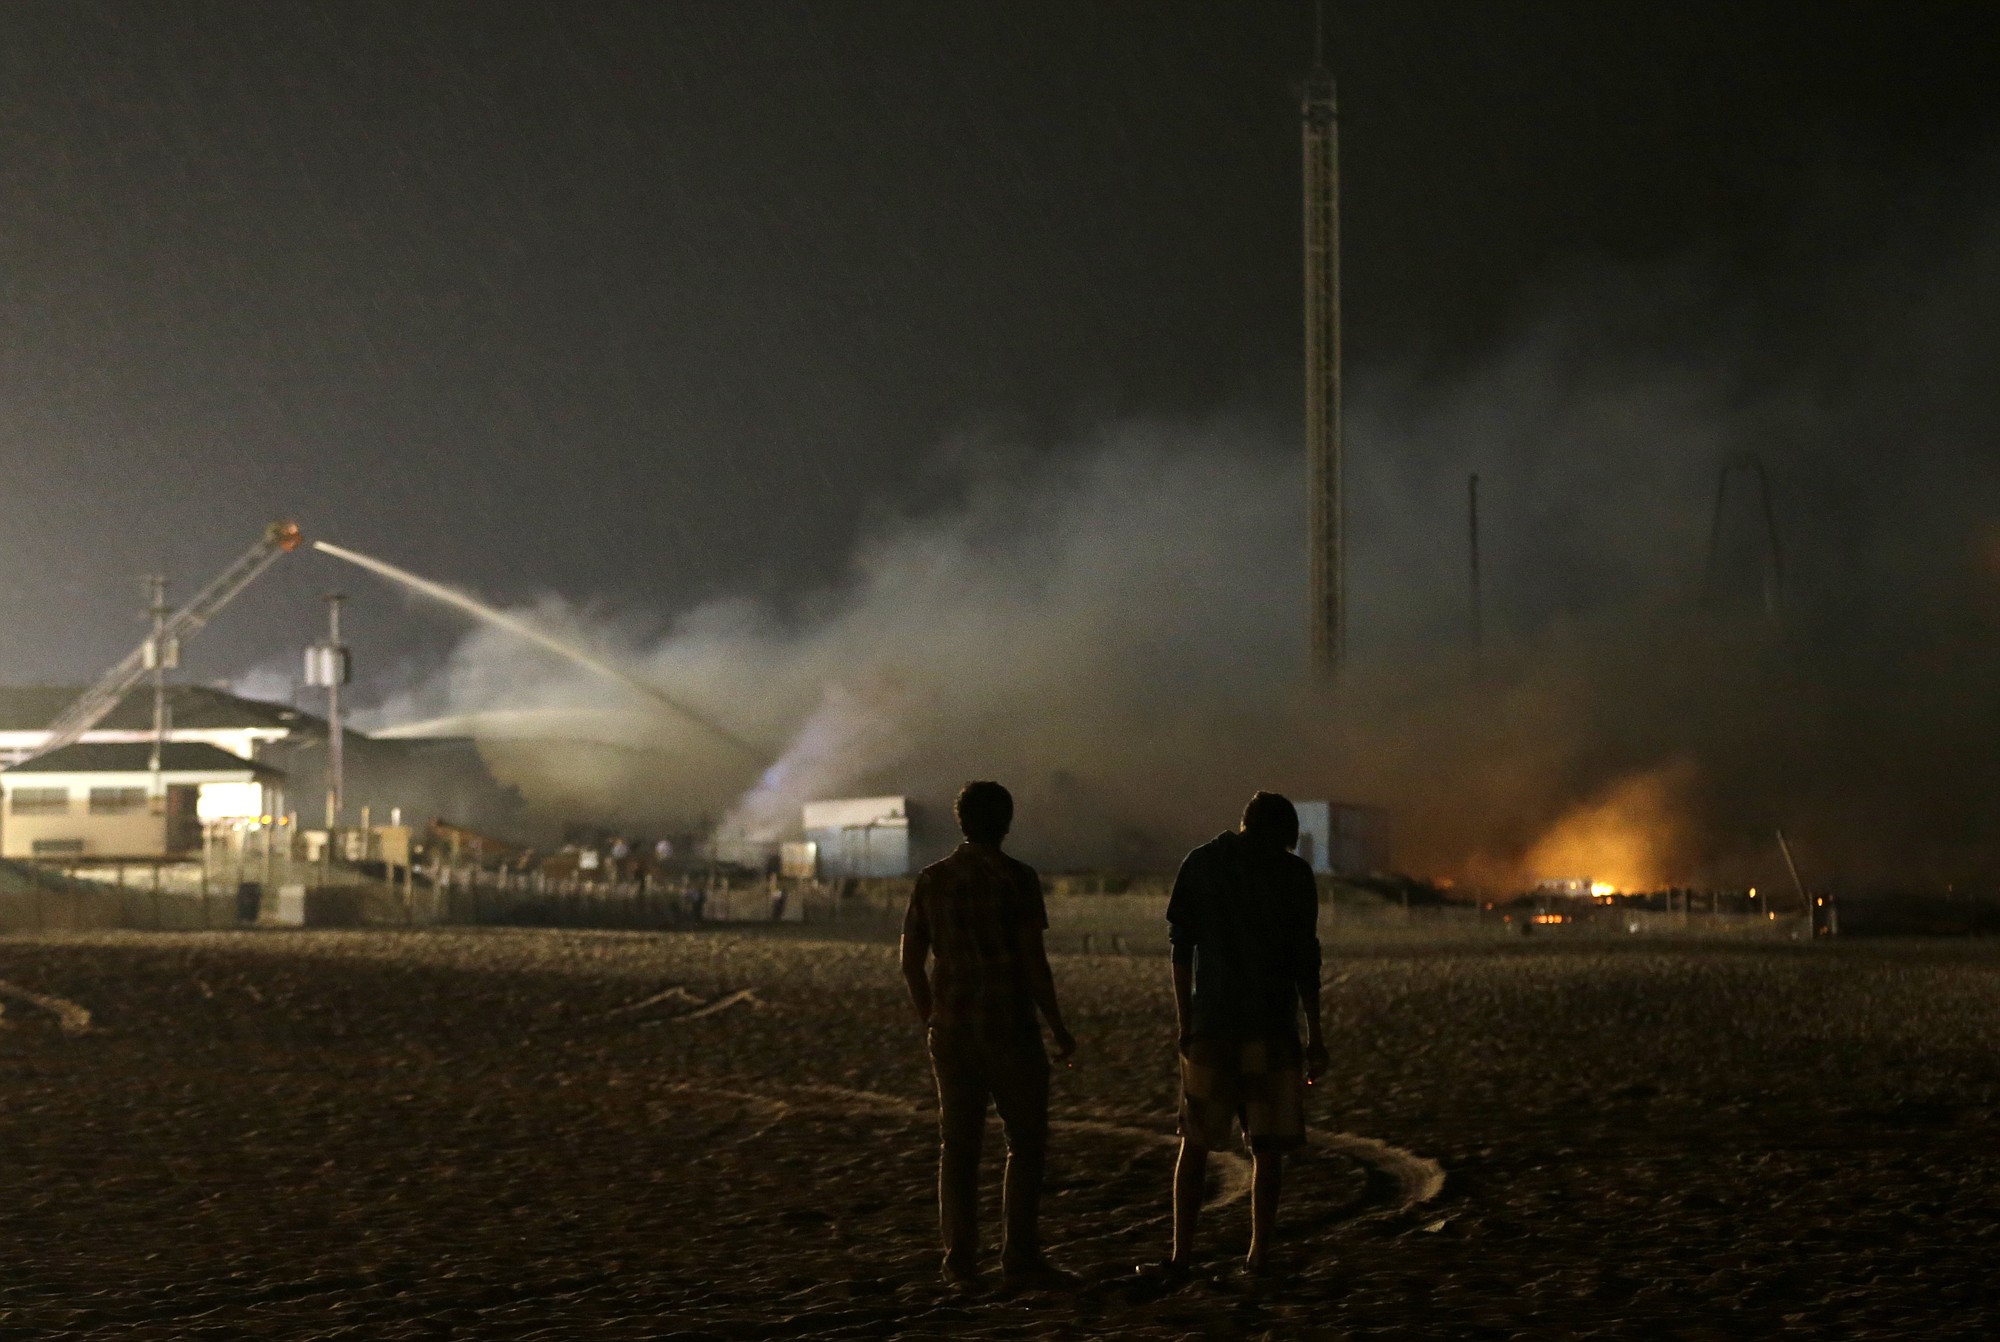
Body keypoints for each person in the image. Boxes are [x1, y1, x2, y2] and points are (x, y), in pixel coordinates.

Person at [900, 780, 1077, 1292]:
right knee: (1024, 1145)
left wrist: (930, 1018)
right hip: (1009, 1028)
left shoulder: (932, 880)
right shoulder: (1018, 879)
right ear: (1006, 821)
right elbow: (1032, 962)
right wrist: (1058, 1026)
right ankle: (1019, 1256)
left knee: (957, 1149)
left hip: (952, 1030)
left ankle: (960, 1263)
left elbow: (910, 963)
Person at [1148, 790, 1327, 1281]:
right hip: (1270, 1030)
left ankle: (1182, 1257)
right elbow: (1304, 962)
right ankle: (1258, 1258)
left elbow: (1180, 950)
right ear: (1283, 835)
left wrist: (1186, 1022)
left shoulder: (1203, 864)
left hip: (1213, 1026)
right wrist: (1315, 1034)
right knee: (1267, 1150)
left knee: (1197, 1144)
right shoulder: (1292, 876)